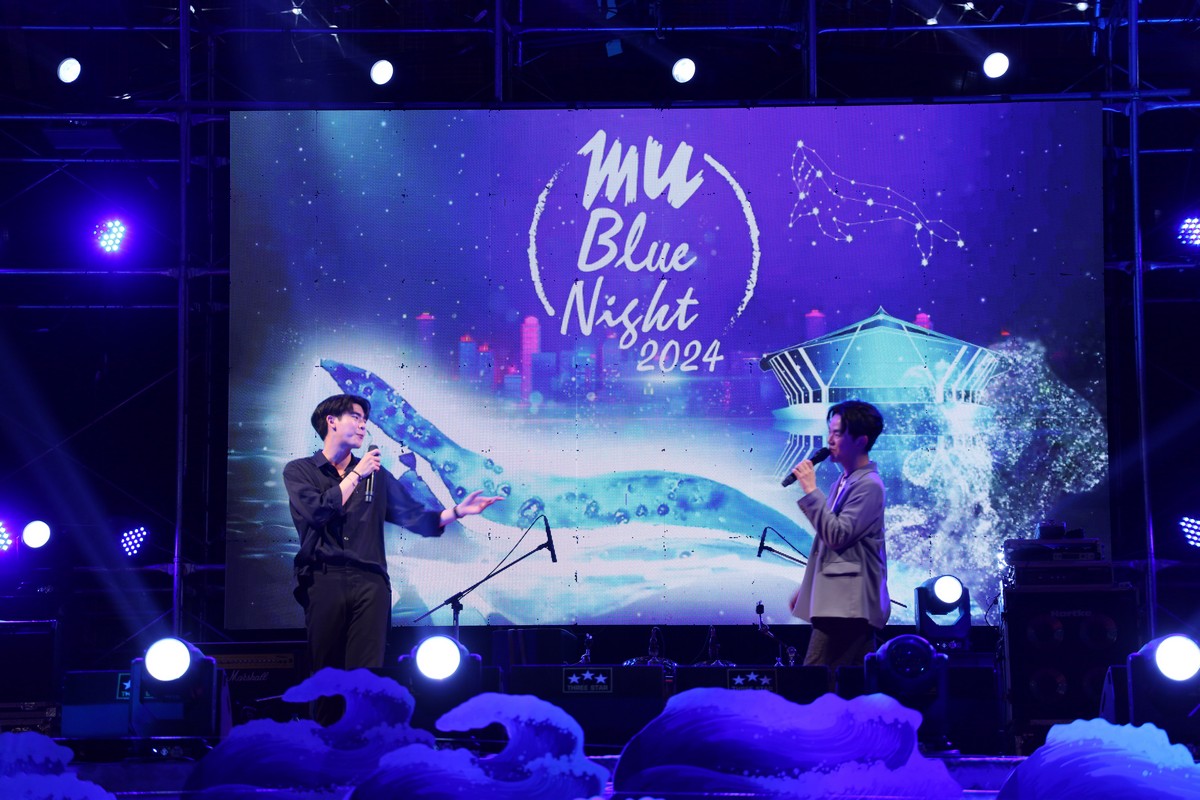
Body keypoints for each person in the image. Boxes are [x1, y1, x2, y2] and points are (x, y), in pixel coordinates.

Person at [283, 393, 502, 724]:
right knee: (326, 672)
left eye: (365, 419)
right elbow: (316, 512)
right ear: (331, 421)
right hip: (324, 578)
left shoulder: (378, 476)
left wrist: (458, 512)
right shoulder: (301, 470)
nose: (363, 425)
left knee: (367, 674)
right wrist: (356, 475)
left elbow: (415, 517)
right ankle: (325, 744)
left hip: (370, 582)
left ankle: (363, 743)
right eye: (355, 417)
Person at [786, 399, 889, 671]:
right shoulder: (842, 482)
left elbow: (837, 535)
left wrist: (811, 490)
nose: (829, 440)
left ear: (861, 440)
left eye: (838, 433)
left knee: (816, 677)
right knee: (851, 680)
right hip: (841, 603)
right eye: (829, 432)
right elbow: (828, 545)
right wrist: (809, 587)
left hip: (847, 605)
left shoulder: (869, 486)